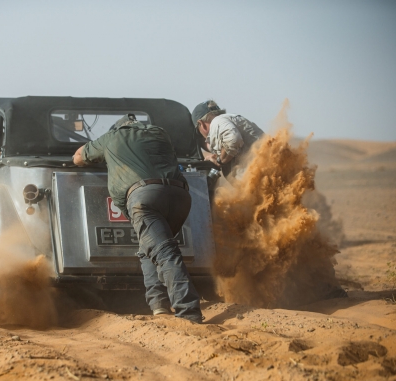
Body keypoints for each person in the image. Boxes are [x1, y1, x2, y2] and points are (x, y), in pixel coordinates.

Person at [72, 114, 203, 323]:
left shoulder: (112, 137)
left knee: (165, 252)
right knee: (149, 248)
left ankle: (188, 313)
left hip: (146, 198)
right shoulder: (160, 133)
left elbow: (79, 157)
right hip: (180, 196)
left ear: (119, 128)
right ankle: (159, 306)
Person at [192, 100, 265, 180]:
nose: (203, 137)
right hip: (263, 169)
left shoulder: (216, 122)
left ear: (201, 124)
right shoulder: (228, 119)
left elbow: (233, 139)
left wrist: (219, 161)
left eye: (198, 132)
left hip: (258, 175)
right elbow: (216, 145)